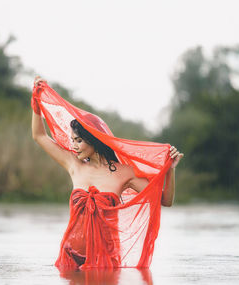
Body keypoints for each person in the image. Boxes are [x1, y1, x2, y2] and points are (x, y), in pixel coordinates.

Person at [31, 76, 183, 269]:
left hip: (104, 259)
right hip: (70, 257)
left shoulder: (124, 173)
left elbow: (165, 201)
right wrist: (36, 102)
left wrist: (170, 170)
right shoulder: (73, 165)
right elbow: (39, 136)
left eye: (78, 140)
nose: (73, 146)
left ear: (94, 140)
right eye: (72, 140)